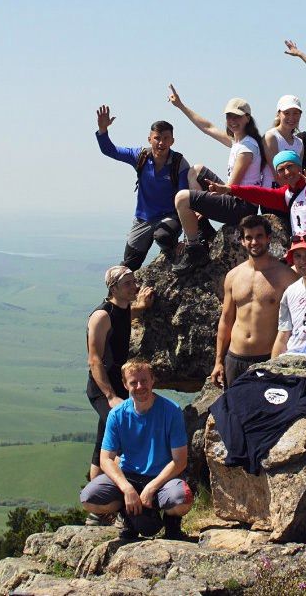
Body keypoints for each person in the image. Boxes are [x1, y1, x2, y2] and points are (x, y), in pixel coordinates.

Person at [79, 359, 193, 541]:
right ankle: (128, 515)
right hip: (129, 475)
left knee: (181, 501)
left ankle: (171, 523)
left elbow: (180, 461)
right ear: (125, 385)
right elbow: (105, 459)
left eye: (144, 380)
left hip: (162, 477)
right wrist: (127, 489)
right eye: (133, 382)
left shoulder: (171, 411)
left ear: (152, 380)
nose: (140, 386)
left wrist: (151, 488)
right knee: (88, 498)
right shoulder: (117, 415)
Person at [166, 87, 265, 274]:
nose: (232, 121)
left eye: (237, 117)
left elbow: (230, 187)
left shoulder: (246, 148)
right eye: (229, 117)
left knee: (182, 199)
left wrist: (204, 202)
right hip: (235, 197)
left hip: (242, 208)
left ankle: (195, 249)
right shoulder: (238, 141)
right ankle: (203, 230)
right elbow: (207, 127)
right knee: (196, 171)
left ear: (247, 118)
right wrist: (181, 106)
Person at [96, 106, 190, 270]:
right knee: (129, 265)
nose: (161, 143)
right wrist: (103, 130)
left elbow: (184, 199)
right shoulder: (141, 156)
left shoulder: (179, 164)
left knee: (163, 235)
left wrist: (187, 238)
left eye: (166, 138)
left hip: (169, 217)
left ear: (172, 141)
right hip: (143, 219)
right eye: (157, 138)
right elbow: (110, 150)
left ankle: (172, 255)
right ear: (149, 139)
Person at [211, 215, 299, 387]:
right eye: (249, 237)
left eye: (259, 236)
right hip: (235, 358)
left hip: (267, 359)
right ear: (242, 241)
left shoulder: (286, 276)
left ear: (268, 238)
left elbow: (296, 323)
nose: (254, 242)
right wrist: (218, 361)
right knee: (234, 405)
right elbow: (226, 320)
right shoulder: (233, 276)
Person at [86, 266, 155, 486]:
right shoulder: (101, 316)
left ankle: (96, 496)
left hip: (119, 385)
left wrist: (141, 306)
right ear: (113, 288)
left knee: (102, 442)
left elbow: (124, 317)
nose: (134, 286)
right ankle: (121, 489)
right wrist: (110, 396)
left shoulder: (122, 309)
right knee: (122, 435)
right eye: (127, 284)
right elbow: (94, 360)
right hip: (102, 388)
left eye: (134, 282)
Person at [207, 151, 306, 242]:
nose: (287, 172)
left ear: (299, 166)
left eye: (290, 166)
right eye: (281, 170)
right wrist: (228, 189)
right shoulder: (286, 193)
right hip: (299, 247)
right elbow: (258, 194)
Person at [264, 95, 305, 167]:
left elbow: (298, 170)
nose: (291, 117)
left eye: (295, 113)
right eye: (286, 113)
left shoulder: (299, 143)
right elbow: (276, 170)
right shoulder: (271, 137)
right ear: (278, 114)